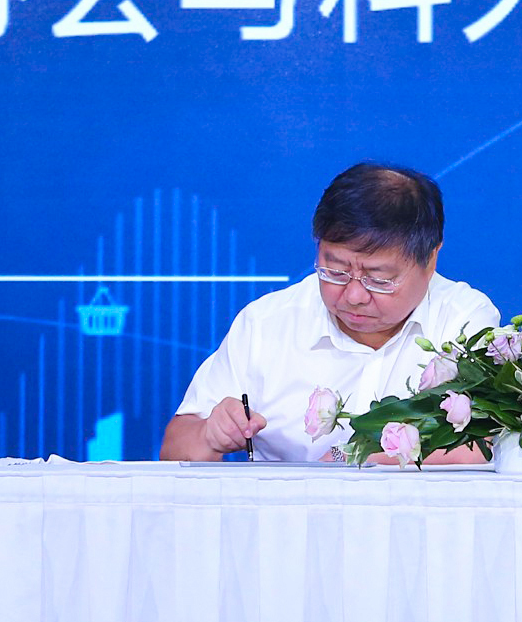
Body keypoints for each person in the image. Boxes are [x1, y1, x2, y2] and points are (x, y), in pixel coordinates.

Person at [161, 163, 501, 463]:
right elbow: (176, 448)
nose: (354, 296)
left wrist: (352, 454)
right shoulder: (266, 324)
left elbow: (484, 443)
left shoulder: (463, 320)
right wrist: (210, 434)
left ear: (430, 259)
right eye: (335, 271)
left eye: (378, 279)